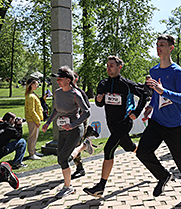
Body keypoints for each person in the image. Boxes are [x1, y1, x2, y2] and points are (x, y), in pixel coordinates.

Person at [135, 35, 181, 204]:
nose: (158, 47)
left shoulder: (177, 72)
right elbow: (156, 93)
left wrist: (163, 91)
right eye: (157, 45)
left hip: (174, 124)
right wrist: (151, 106)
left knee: (180, 159)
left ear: (171, 48)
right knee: (142, 152)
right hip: (156, 120)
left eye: (162, 45)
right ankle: (162, 176)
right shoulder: (154, 71)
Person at [86, 55, 149, 199]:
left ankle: (100, 187)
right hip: (111, 124)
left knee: (108, 149)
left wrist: (137, 111)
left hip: (125, 122)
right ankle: (148, 157)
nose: (109, 68)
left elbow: (145, 94)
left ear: (119, 67)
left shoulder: (126, 84)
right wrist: (98, 100)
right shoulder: (102, 84)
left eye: (112, 66)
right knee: (128, 146)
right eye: (107, 66)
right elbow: (101, 104)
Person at [41, 66, 90, 195]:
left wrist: (73, 124)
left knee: (63, 158)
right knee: (61, 159)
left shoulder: (76, 94)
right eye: (57, 79)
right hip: (62, 129)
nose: (58, 81)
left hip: (75, 130)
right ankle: (84, 146)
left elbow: (87, 112)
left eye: (60, 79)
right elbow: (56, 109)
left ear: (68, 80)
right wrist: (48, 122)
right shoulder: (57, 93)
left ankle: (67, 187)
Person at [24, 78, 44, 159]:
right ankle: (31, 154)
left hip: (34, 119)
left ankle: (34, 151)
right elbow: (31, 110)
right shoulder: (30, 96)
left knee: (35, 136)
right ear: (31, 85)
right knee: (32, 136)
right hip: (32, 120)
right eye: (35, 84)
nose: (37, 85)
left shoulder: (32, 94)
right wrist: (37, 120)